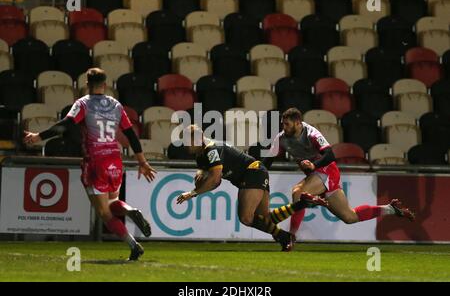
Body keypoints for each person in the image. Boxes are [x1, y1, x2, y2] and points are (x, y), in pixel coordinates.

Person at [23, 68, 157, 261]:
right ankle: (129, 210)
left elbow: (66, 125)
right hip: (115, 159)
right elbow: (130, 134)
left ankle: (134, 245)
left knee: (104, 212)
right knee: (112, 203)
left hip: (95, 161)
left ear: (86, 84)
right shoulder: (116, 105)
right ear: (105, 84)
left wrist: (38, 136)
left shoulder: (83, 104)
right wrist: (142, 161)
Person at [263, 107, 415, 251]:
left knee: (298, 192)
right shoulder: (281, 138)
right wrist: (258, 174)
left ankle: (291, 236)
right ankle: (390, 209)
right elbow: (268, 160)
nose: (284, 127)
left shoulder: (311, 133)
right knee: (350, 217)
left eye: (287, 124)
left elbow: (330, 155)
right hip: (315, 177)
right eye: (283, 124)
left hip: (328, 172)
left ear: (297, 122)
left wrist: (313, 165)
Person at [176, 125, 327, 250]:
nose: (184, 145)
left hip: (252, 172)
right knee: (265, 219)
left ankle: (285, 236)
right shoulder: (202, 152)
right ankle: (303, 204)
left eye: (186, 141)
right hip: (257, 170)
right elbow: (205, 170)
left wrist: (193, 192)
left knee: (246, 218)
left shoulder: (211, 150)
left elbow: (215, 180)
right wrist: (200, 172)